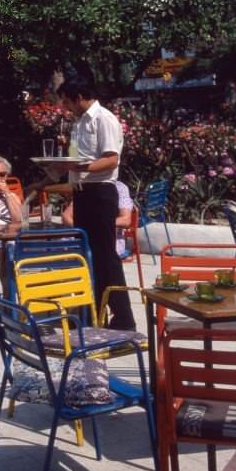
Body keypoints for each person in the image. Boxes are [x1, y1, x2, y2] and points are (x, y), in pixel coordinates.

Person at [55, 74, 136, 330]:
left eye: (67, 102)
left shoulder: (104, 119)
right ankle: (91, 312)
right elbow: (76, 157)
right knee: (86, 251)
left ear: (79, 98)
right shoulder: (78, 122)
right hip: (83, 191)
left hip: (101, 191)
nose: (65, 107)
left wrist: (82, 166)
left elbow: (111, 159)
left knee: (105, 255)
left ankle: (123, 317)